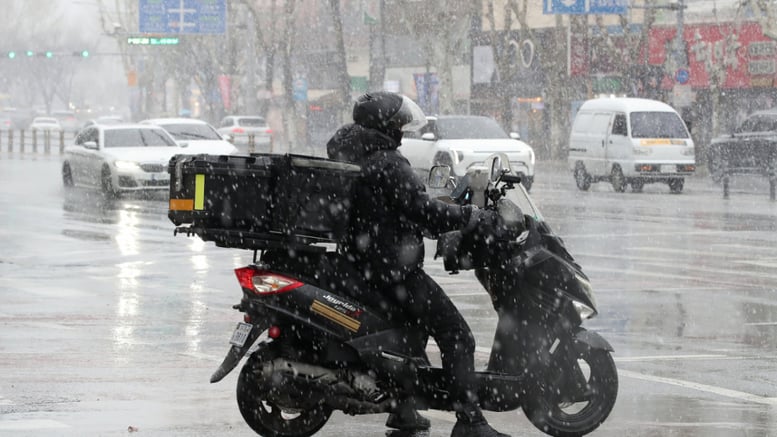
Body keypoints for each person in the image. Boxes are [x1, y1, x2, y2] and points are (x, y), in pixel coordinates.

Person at [326, 91, 510, 437]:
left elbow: (398, 208)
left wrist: (429, 217)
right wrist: (469, 215)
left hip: (363, 262)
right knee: (457, 334)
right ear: (386, 125)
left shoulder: (351, 151)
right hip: (391, 269)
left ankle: (404, 411)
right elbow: (421, 208)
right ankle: (470, 422)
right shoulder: (387, 162)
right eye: (397, 123)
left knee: (410, 336)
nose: (402, 130)